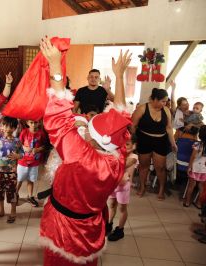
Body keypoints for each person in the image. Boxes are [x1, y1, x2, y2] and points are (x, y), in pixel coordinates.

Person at [32, 37, 132, 266]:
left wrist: (55, 65)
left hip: (63, 227)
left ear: (93, 138)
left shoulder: (79, 154)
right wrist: (119, 76)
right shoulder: (117, 159)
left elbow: (57, 114)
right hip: (92, 225)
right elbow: (122, 116)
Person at [131, 88, 177, 200]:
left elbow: (169, 128)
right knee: (143, 166)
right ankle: (142, 187)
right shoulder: (142, 108)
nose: (165, 103)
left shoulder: (166, 110)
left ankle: (161, 189)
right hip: (144, 140)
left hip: (160, 141)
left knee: (160, 167)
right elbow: (132, 126)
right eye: (163, 101)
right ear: (154, 99)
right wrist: (133, 140)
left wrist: (173, 143)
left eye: (166, 101)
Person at [106, 135, 138, 241]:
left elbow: (121, 165)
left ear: (134, 146)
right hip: (113, 184)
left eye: (127, 144)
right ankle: (109, 224)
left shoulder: (133, 157)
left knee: (122, 208)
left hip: (123, 187)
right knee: (111, 205)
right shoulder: (118, 155)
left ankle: (120, 230)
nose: (124, 146)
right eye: (122, 144)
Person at [16, 120, 47, 207]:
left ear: (39, 123)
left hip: (34, 162)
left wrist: (38, 149)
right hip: (23, 161)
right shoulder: (24, 132)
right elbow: (18, 143)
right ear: (27, 123)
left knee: (31, 180)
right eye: (31, 122)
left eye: (36, 122)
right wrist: (24, 147)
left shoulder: (41, 133)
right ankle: (15, 194)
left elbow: (45, 146)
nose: (33, 125)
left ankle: (30, 196)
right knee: (19, 179)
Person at [185, 125, 206, 208]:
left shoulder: (197, 144)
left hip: (195, 168)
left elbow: (193, 157)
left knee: (191, 186)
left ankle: (187, 202)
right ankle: (199, 204)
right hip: (204, 170)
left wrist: (189, 167)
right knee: (201, 187)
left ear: (200, 134)